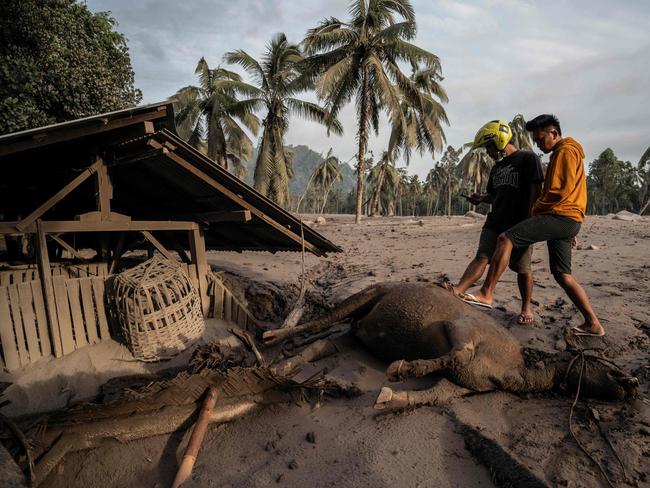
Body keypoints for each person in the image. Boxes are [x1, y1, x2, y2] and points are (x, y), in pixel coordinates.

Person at [462, 114, 605, 337]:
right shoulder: (562, 152)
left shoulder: (565, 151)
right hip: (566, 219)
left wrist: (538, 214)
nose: (538, 144)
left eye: (540, 139)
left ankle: (486, 293)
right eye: (535, 141)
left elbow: (560, 192)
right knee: (562, 275)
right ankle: (593, 323)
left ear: (554, 133)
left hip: (560, 216)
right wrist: (568, 226)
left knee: (505, 239)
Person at [444, 120, 543, 325]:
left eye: (488, 146)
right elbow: (494, 194)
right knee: (482, 255)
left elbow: (535, 188)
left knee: (522, 267)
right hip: (495, 220)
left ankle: (526, 306)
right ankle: (459, 290)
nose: (487, 152)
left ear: (498, 141)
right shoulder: (497, 168)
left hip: (519, 223)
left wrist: (531, 218)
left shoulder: (528, 158)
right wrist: (481, 198)